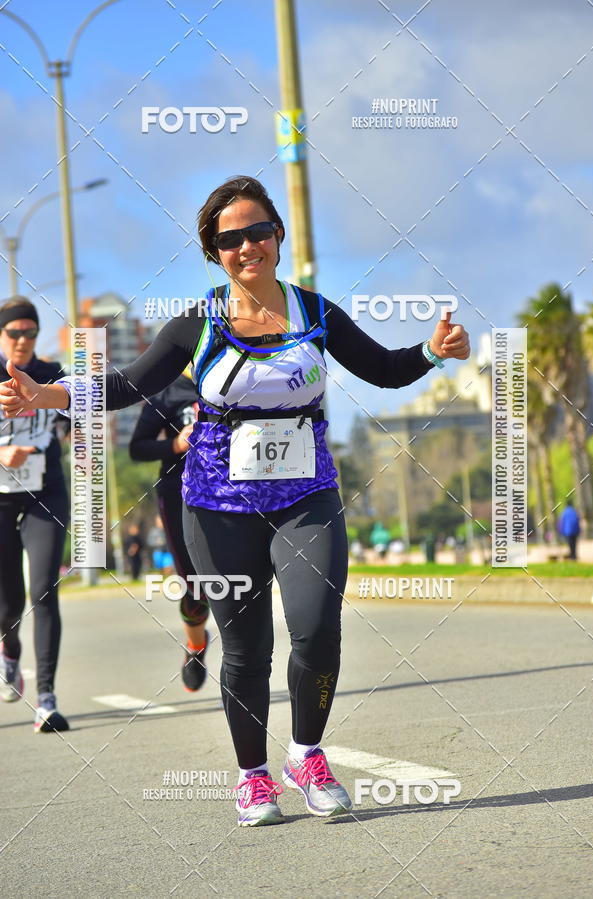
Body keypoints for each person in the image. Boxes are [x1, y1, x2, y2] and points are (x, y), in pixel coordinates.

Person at [0, 176, 471, 824]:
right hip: (217, 504)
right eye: (230, 239)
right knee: (246, 648)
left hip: (306, 493)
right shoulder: (200, 321)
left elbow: (385, 367)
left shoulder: (314, 311)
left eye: (257, 231)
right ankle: (253, 776)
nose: (246, 245)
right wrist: (44, 396)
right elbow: (127, 384)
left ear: (277, 235)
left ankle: (306, 754)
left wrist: (432, 350)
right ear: (214, 252)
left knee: (315, 627)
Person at [0, 297, 70, 733]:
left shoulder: (52, 374)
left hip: (46, 493)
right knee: (7, 604)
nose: (22, 340)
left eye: (29, 332)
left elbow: (77, 415)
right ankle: (9, 648)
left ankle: (46, 697)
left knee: (44, 590)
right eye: (13, 333)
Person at [129, 372, 210, 691]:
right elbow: (138, 448)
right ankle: (196, 647)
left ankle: (244, 661)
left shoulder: (236, 377)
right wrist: (176, 443)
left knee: (242, 579)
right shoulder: (167, 391)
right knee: (196, 586)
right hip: (180, 493)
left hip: (235, 490)